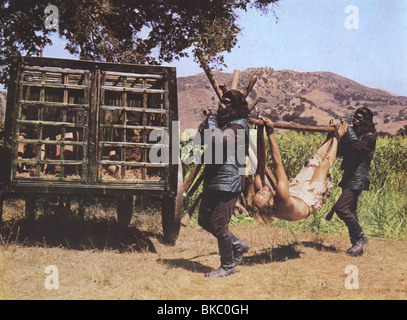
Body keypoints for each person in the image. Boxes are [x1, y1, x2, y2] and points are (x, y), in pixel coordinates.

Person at [197, 89, 251, 278]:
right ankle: (238, 245)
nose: (221, 105)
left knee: (219, 224)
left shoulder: (238, 126)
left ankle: (228, 266)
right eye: (221, 101)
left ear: (235, 107)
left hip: (228, 182)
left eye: (226, 102)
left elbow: (217, 141)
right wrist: (208, 122)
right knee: (203, 219)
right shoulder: (224, 124)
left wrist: (212, 121)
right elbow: (202, 137)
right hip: (213, 179)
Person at [252, 116, 348, 223]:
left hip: (294, 194)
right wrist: (270, 133)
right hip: (309, 201)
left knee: (313, 161)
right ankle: (337, 137)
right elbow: (278, 164)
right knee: (323, 165)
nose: (261, 190)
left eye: (258, 192)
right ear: (270, 202)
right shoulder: (283, 200)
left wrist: (260, 130)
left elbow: (261, 160)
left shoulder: (263, 195)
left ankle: (330, 136)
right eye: (262, 194)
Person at [329, 107, 376, 256]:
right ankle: (356, 247)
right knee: (351, 211)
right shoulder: (355, 135)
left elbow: (359, 149)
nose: (355, 120)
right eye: (355, 117)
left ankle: (361, 238)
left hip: (358, 178)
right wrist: (336, 137)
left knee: (341, 208)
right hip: (350, 177)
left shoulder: (369, 137)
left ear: (367, 121)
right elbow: (341, 152)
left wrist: (348, 134)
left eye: (359, 118)